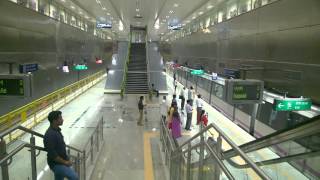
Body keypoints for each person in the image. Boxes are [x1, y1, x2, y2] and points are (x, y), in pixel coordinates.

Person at [43, 111, 79, 180]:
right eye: (60, 118)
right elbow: (53, 155)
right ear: (54, 121)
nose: (62, 120)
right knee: (74, 177)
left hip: (62, 161)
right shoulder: (49, 135)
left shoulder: (57, 130)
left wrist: (66, 158)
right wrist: (65, 162)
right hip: (56, 164)